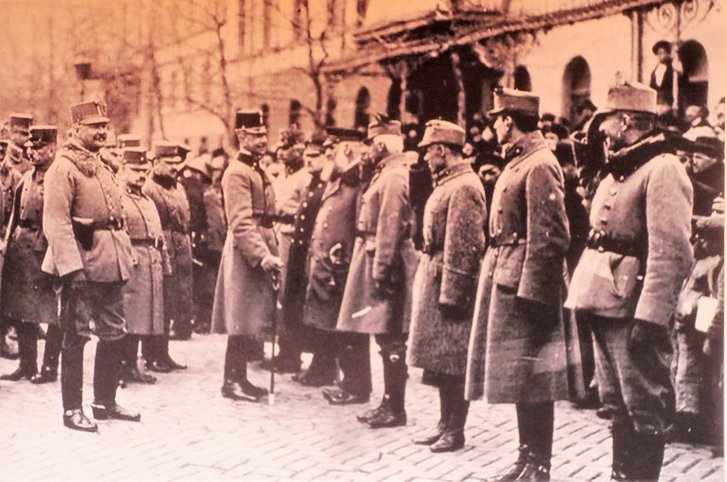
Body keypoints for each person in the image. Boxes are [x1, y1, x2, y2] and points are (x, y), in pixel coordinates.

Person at [566, 79, 693, 481]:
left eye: (604, 122)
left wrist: (651, 317)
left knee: (643, 405)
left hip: (635, 308)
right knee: (616, 402)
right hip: (605, 301)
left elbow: (671, 251)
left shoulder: (663, 168)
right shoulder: (620, 167)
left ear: (625, 120)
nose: (599, 130)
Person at [466, 88, 583, 481]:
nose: (494, 125)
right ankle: (526, 457)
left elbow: (550, 238)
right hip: (508, 276)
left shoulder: (540, 164)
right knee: (520, 377)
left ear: (509, 121)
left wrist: (535, 295)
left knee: (535, 379)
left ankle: (541, 465)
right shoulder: (521, 161)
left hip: (527, 286)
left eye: (498, 118)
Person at [42, 100, 140, 432]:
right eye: (94, 126)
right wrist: (72, 270)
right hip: (82, 265)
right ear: (75, 131)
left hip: (110, 263)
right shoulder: (64, 168)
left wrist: (125, 255)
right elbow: (56, 223)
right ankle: (72, 410)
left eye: (104, 125)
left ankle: (104, 402)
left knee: (114, 334)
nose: (101, 131)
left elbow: (116, 218)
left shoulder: (101, 166)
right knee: (76, 336)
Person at [408, 120, 487, 453]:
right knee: (439, 358)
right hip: (435, 274)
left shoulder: (465, 186)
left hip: (451, 280)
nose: (426, 157)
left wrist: (454, 292)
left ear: (442, 150)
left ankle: (456, 429)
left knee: (454, 359)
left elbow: (465, 246)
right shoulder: (448, 182)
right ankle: (443, 423)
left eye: (429, 151)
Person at [337, 114, 418, 429]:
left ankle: (395, 408)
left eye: (370, 144)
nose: (366, 149)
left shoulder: (394, 176)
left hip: (387, 261)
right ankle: (389, 403)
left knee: (391, 336)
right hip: (375, 256)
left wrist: (382, 271)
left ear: (382, 144)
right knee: (385, 337)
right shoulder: (385, 172)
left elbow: (390, 227)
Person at [211, 110, 282, 402]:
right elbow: (240, 221)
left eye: (264, 134)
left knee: (249, 318)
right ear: (241, 136)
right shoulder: (237, 172)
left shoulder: (256, 168)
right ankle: (231, 382)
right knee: (240, 318)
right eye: (255, 135)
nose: (262, 139)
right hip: (245, 252)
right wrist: (263, 255)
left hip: (258, 245)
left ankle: (240, 378)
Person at [297, 128, 371, 399]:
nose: (329, 157)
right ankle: (343, 380)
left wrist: (344, 261)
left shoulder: (358, 182)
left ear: (347, 150)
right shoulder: (341, 180)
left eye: (332, 151)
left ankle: (355, 385)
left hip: (342, 268)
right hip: (329, 266)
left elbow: (359, 228)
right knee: (334, 325)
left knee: (350, 329)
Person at [0, 126, 62, 383]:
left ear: (52, 149)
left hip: (46, 252)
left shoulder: (57, 180)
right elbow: (15, 215)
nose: (32, 153)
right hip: (21, 251)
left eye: (38, 148)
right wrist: (9, 242)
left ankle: (49, 367)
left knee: (53, 313)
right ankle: (27, 365)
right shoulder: (26, 179)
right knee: (22, 309)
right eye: (30, 149)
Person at [283, 136, 333, 387]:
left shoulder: (326, 186)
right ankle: (312, 362)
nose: (309, 160)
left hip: (312, 254)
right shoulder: (311, 183)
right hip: (299, 251)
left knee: (316, 308)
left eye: (315, 156)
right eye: (308, 156)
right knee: (299, 305)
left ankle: (323, 366)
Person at [263, 125, 310, 374]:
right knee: (278, 294)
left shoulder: (305, 177)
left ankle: (292, 353)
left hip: (293, 237)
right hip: (277, 233)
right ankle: (283, 350)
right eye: (281, 148)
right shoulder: (281, 174)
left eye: (289, 148)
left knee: (290, 296)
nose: (282, 153)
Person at [118, 147, 167, 386]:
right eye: (135, 170)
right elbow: (118, 232)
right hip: (132, 262)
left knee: (143, 318)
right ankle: (119, 368)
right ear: (123, 168)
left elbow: (158, 234)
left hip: (150, 261)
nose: (140, 174)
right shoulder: (119, 197)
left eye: (143, 170)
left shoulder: (146, 199)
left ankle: (133, 364)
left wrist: (163, 262)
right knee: (127, 317)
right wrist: (127, 258)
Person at [143, 141, 192, 370]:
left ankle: (163, 353)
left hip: (180, 249)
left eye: (177, 162)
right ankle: (152, 354)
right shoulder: (148, 188)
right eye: (169, 162)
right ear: (155, 163)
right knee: (159, 301)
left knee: (174, 301)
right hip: (162, 249)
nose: (175, 167)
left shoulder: (178, 187)